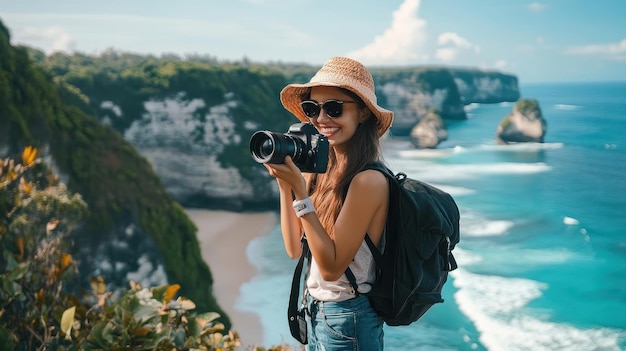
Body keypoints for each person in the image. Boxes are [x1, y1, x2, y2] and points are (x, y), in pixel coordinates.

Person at [263, 56, 394, 350]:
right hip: (314, 309)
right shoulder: (320, 171)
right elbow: (294, 248)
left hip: (349, 317)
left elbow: (333, 268)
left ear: (362, 113)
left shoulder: (368, 181)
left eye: (334, 107)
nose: (321, 119)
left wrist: (301, 193)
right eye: (312, 109)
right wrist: (287, 187)